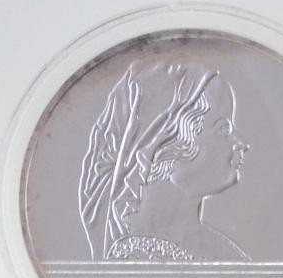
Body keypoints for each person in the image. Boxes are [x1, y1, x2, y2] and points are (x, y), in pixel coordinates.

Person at [79, 62, 250, 262]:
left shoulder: (225, 255)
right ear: (166, 143)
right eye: (223, 129)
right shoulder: (130, 259)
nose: (242, 143)